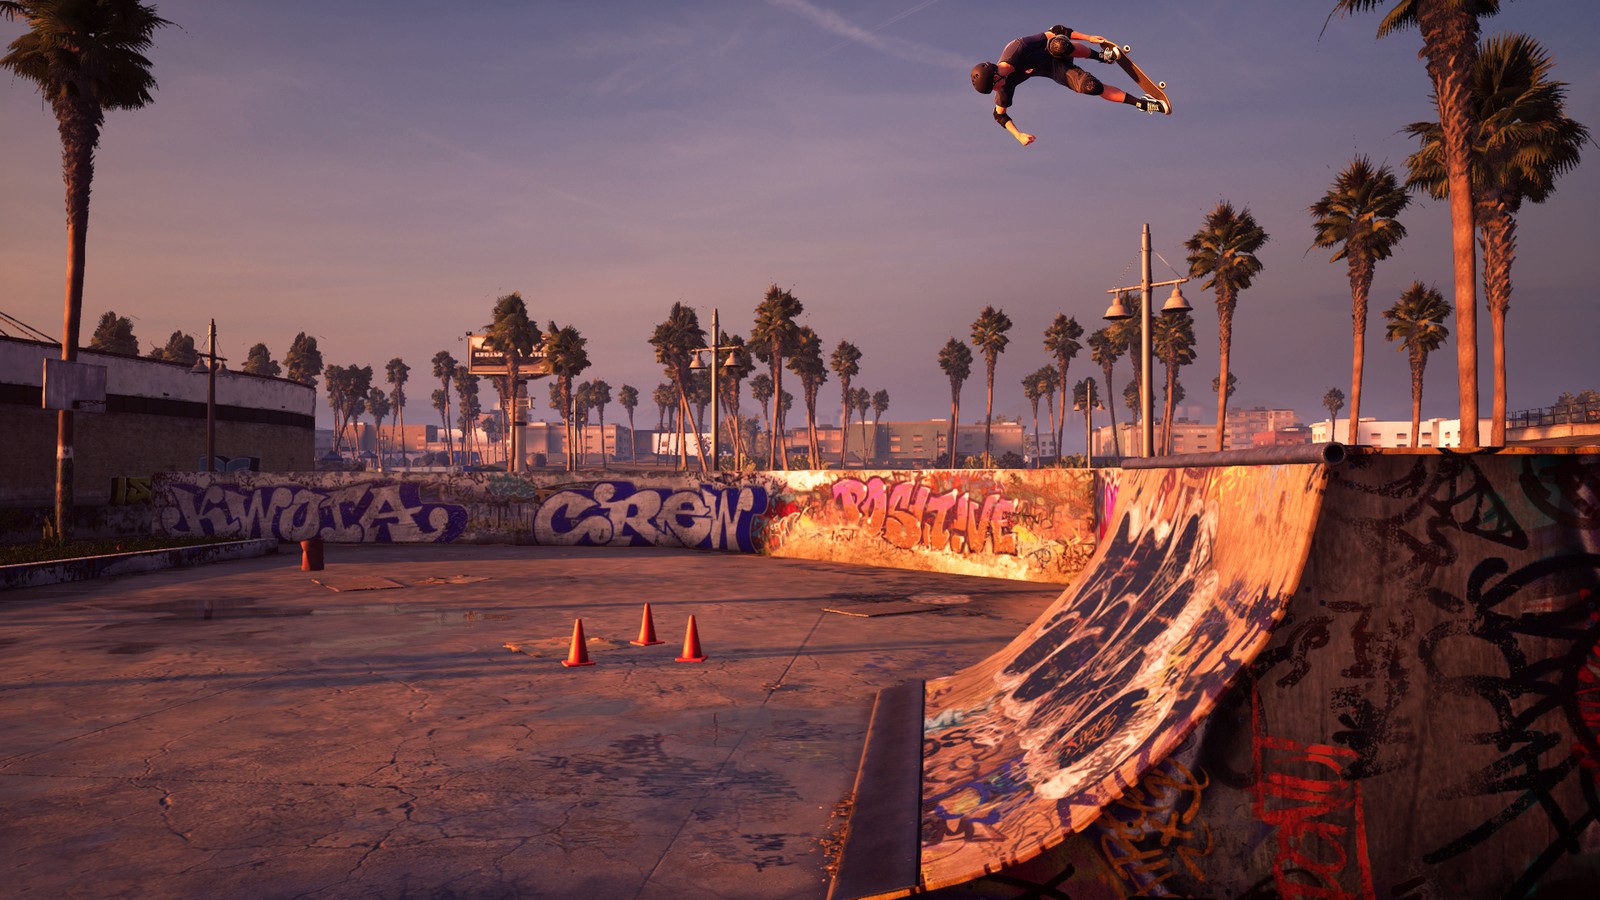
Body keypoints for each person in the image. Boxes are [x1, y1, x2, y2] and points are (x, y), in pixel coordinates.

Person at [971, 25, 1168, 146]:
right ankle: (1141, 103)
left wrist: (1090, 38)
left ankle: (1102, 56)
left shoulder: (1017, 48)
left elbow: (1057, 30)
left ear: (996, 76)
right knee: (1092, 87)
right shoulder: (1005, 87)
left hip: (1059, 51)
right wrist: (1018, 135)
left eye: (994, 87)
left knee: (1059, 45)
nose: (996, 91)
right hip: (1056, 71)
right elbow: (999, 114)